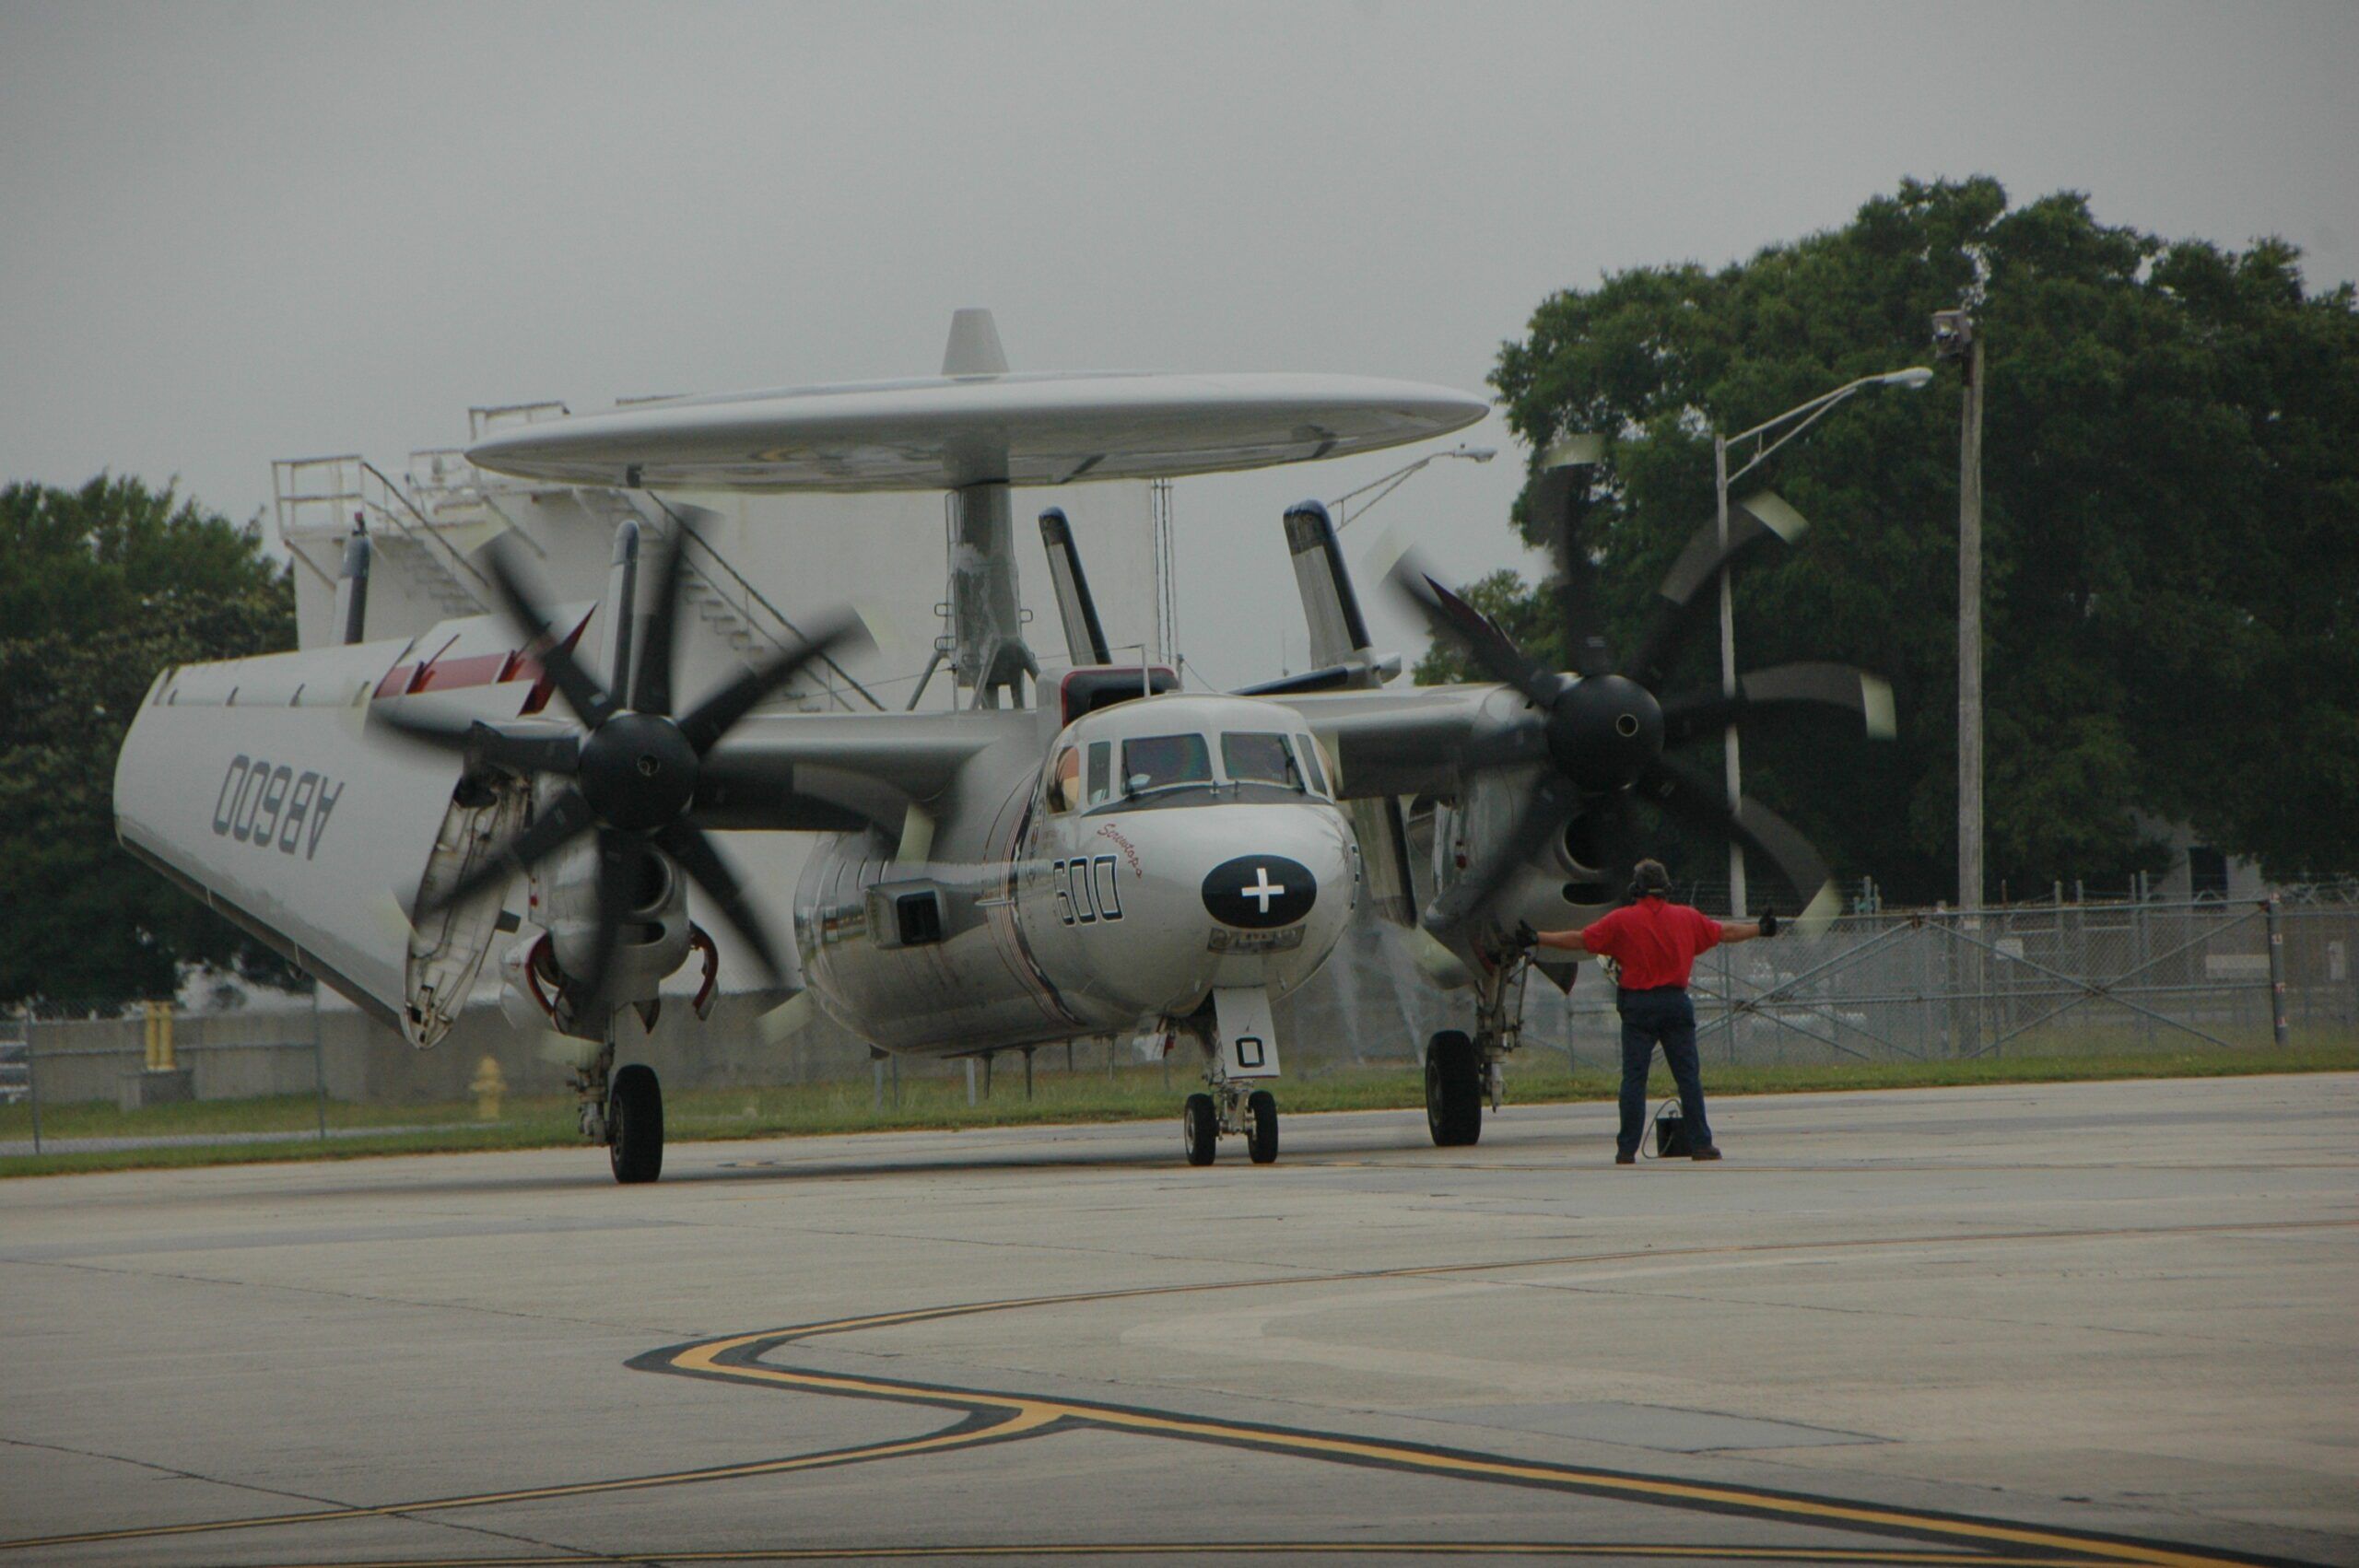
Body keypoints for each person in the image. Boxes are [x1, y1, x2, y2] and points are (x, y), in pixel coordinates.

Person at [1526, 859, 1779, 1164]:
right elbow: (1724, 932)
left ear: (1636, 888)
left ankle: (1626, 1149)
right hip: (1675, 1004)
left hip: (1638, 1007)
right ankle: (1701, 1144)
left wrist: (1538, 937)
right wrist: (1759, 928)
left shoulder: (1621, 920)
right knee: (1688, 1078)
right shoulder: (1687, 918)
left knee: (1634, 1079)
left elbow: (1581, 940)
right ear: (1667, 888)